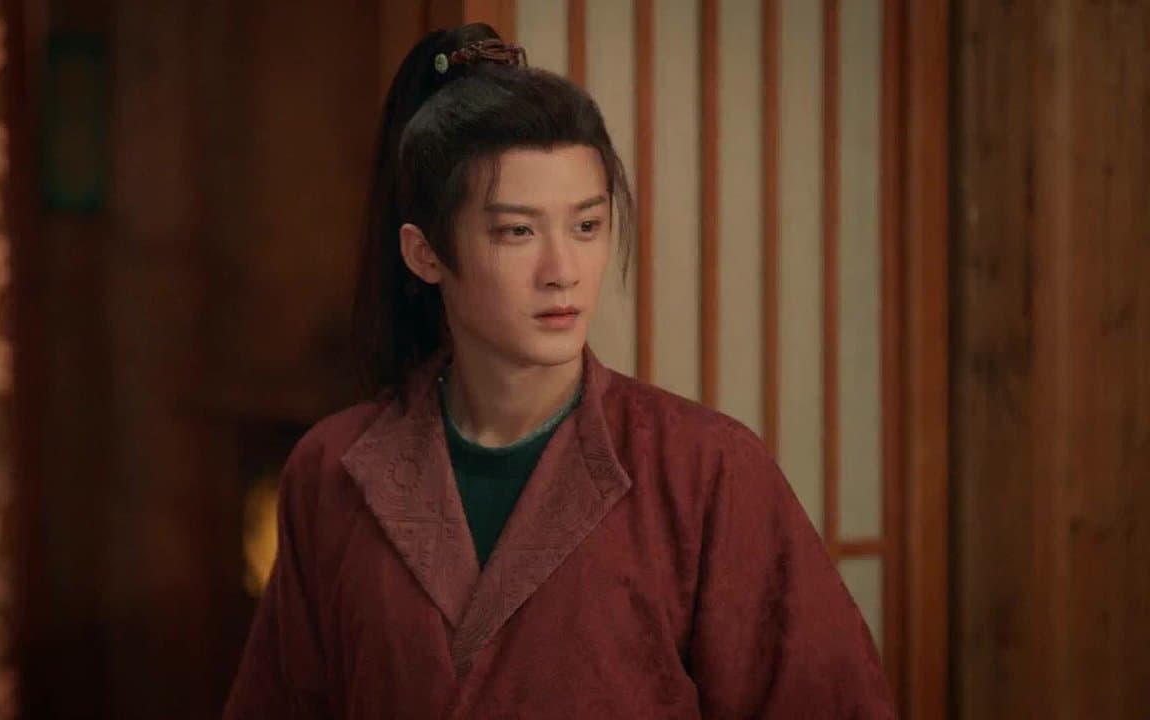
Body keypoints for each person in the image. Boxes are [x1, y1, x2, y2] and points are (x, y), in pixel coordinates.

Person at [223, 23, 894, 719]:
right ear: (426, 255)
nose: (563, 271)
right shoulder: (331, 473)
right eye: (518, 231)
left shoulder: (705, 471)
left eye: (586, 226)